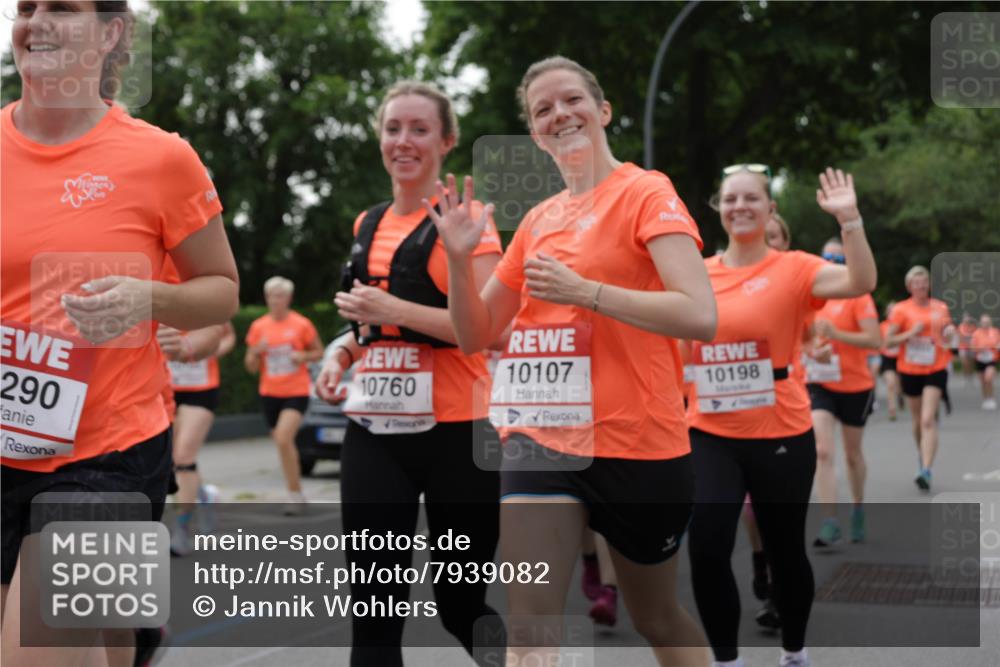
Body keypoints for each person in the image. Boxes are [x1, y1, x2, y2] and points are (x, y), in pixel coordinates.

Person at [428, 56, 715, 667]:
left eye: (571, 101)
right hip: (541, 440)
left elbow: (699, 314)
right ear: (535, 134)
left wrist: (586, 293)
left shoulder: (646, 191)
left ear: (603, 110)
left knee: (656, 618)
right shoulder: (537, 221)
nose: (559, 115)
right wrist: (457, 260)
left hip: (640, 443)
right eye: (543, 110)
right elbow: (475, 334)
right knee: (530, 629)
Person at [1, 3, 239, 666]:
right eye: (26, 8)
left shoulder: (161, 158)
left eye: (63, 8)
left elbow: (220, 291)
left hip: (110, 452)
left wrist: (149, 298)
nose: (37, 20)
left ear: (110, 33)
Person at [314, 81, 504, 667]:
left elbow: (491, 331)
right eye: (393, 128)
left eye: (419, 129)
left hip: (460, 434)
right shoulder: (366, 223)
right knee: (374, 611)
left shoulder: (470, 223)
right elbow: (372, 324)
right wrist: (340, 352)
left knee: (459, 604)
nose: (404, 141)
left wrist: (391, 310)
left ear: (446, 141)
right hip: (376, 432)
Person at [686, 164, 876, 667]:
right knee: (706, 548)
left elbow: (861, 279)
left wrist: (849, 219)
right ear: (718, 210)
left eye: (752, 198)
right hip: (709, 431)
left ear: (770, 209)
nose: (740, 206)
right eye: (730, 199)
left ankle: (794, 652)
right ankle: (726, 660)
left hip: (781, 432)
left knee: (785, 550)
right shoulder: (698, 273)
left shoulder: (793, 268)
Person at [804, 239, 881, 547]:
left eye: (838, 257)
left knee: (852, 455)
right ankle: (830, 520)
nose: (832, 261)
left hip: (856, 385)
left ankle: (858, 508)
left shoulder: (857, 296)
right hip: (820, 382)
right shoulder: (811, 297)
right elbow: (801, 339)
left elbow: (875, 341)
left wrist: (837, 335)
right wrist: (814, 350)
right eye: (827, 256)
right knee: (822, 450)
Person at [157, 279, 235, 555]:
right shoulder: (156, 286)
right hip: (169, 388)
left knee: (183, 456)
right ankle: (205, 497)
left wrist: (209, 349)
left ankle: (181, 530)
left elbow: (227, 334)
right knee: (175, 459)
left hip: (202, 389)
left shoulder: (204, 285)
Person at [245, 277, 322, 515]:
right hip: (270, 392)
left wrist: (303, 357)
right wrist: (257, 353)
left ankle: (294, 494)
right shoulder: (259, 327)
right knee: (283, 444)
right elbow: (250, 367)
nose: (275, 300)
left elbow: (319, 352)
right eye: (271, 296)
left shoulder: (301, 324)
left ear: (288, 298)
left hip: (296, 391)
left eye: (279, 296)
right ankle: (297, 490)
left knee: (282, 439)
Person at [884, 266, 956, 491]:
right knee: (917, 421)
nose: (921, 286)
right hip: (910, 369)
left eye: (924, 282)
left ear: (929, 285)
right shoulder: (901, 310)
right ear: (909, 287)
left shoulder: (940, 307)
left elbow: (948, 328)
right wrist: (909, 334)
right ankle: (922, 454)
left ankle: (926, 469)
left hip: (936, 367)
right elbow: (888, 341)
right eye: (916, 283)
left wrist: (951, 331)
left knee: (927, 419)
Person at [878, 302, 903, 421]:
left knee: (899, 385)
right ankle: (892, 409)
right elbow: (878, 341)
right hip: (887, 358)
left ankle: (900, 395)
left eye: (894, 311)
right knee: (890, 383)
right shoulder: (882, 326)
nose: (892, 313)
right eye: (890, 310)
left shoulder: (902, 325)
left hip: (901, 358)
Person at [970, 314, 999, 410]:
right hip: (980, 360)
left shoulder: (995, 332)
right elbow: (972, 347)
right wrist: (979, 349)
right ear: (980, 323)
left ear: (990, 322)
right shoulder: (976, 333)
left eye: (987, 322)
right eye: (983, 322)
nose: (985, 324)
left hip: (991, 359)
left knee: (988, 378)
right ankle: (985, 399)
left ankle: (991, 398)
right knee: (983, 382)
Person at [957, 313, 978, 385]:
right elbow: (960, 338)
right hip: (963, 347)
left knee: (971, 363)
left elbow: (975, 337)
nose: (966, 320)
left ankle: (971, 377)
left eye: (968, 318)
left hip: (971, 348)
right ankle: (965, 377)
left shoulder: (973, 327)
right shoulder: (960, 327)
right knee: (965, 363)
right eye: (965, 318)